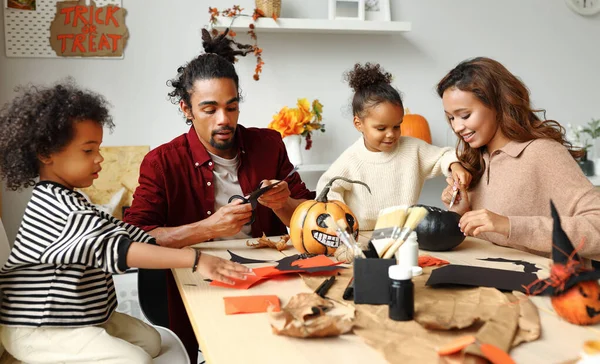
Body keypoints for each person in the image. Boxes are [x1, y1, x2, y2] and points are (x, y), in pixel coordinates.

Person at [0, 81, 252, 364]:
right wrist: (195, 259)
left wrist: (163, 240)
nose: (99, 159)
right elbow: (121, 250)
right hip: (42, 326)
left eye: (98, 148)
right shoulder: (60, 210)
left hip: (84, 317)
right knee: (134, 360)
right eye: (88, 151)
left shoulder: (71, 200)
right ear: (46, 154)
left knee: (152, 342)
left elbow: (123, 233)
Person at [123, 29, 315, 359]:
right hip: (196, 280)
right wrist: (209, 228)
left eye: (232, 106)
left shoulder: (268, 144)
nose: (224, 120)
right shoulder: (161, 163)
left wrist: (286, 204)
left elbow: (312, 217)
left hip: (266, 274)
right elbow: (135, 240)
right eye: (209, 109)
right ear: (187, 109)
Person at [438, 57, 600, 258]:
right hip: (489, 280)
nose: (456, 127)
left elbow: (597, 226)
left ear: (498, 105)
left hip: (541, 284)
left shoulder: (542, 153)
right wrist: (462, 211)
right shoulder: (477, 159)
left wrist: (510, 225)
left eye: (464, 115)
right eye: (451, 118)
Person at [316, 63, 471, 230]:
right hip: (363, 234)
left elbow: (444, 155)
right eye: (381, 128)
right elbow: (327, 188)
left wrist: (455, 165)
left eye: (397, 126)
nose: (391, 134)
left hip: (403, 232)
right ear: (358, 123)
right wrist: (341, 220)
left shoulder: (413, 149)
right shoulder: (351, 159)